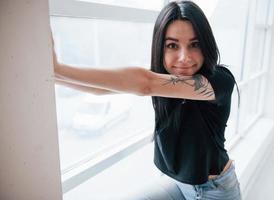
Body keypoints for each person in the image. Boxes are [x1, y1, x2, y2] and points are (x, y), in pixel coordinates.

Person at [52, 1, 242, 199]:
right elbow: (101, 89)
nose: (184, 57)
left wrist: (59, 69)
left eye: (194, 44)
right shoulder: (162, 80)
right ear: (160, 47)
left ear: (206, 44)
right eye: (172, 45)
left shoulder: (219, 80)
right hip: (178, 184)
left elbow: (145, 84)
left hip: (215, 190)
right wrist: (55, 75)